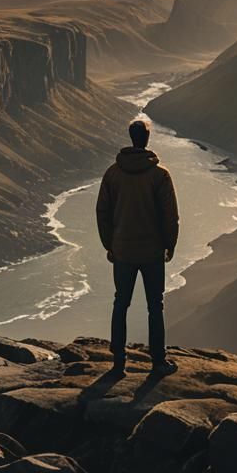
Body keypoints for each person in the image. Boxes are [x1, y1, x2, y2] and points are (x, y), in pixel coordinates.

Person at [96, 117, 179, 376]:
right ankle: (158, 361)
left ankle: (118, 362)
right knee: (155, 305)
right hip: (152, 252)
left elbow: (102, 212)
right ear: (147, 138)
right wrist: (170, 244)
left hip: (123, 251)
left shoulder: (113, 173)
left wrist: (109, 245)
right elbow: (170, 215)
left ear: (131, 138)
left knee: (121, 303)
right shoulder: (160, 175)